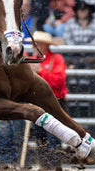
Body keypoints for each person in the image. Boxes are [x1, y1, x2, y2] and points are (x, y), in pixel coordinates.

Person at [29, 30, 68, 170]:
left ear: (45, 46)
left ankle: (55, 166)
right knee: (41, 137)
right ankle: (45, 165)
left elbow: (59, 81)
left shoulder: (56, 59)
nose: (34, 46)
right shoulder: (32, 60)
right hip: (39, 103)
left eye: (37, 43)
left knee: (53, 137)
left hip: (54, 103)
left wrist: (41, 71)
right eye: (34, 43)